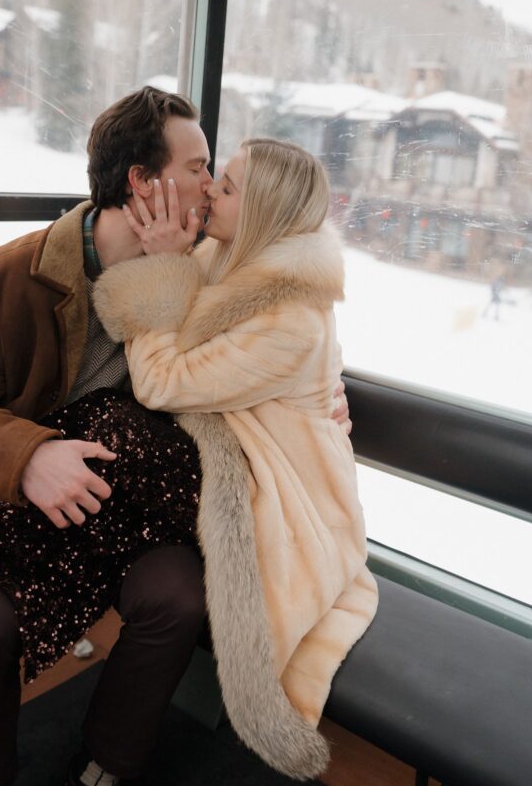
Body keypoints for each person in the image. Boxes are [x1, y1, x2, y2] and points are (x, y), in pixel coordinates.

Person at [0, 88, 351, 786]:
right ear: (142, 183)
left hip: (121, 501)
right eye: (198, 166)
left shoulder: (203, 268)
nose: (210, 186)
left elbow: (280, 329)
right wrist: (29, 458)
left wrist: (325, 401)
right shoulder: (5, 273)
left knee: (177, 598)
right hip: (8, 493)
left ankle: (107, 760)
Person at [93, 138, 379, 781]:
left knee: (108, 433)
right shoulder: (232, 257)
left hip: (288, 495)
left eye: (227, 185)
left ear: (264, 210)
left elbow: (162, 382)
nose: (210, 193)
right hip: (235, 460)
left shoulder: (289, 316)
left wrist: (160, 269)